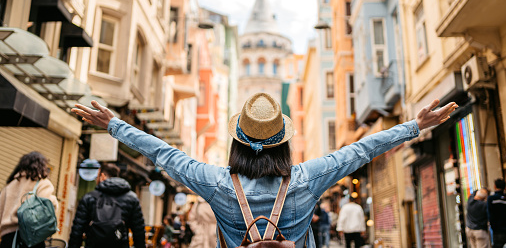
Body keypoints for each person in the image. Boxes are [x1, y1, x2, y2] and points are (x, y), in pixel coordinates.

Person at [72, 93, 457, 248]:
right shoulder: (307, 179)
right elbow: (360, 150)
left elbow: (165, 154)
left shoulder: (216, 183)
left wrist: (114, 124)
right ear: (283, 141)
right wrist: (416, 125)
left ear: (237, 140)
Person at [68, 163, 146, 248]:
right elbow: (139, 232)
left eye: (97, 176)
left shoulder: (89, 197)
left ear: (102, 176)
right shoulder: (132, 198)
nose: (96, 179)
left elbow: (77, 231)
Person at [0, 152, 59, 248]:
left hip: (7, 239)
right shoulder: (42, 183)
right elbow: (50, 207)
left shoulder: (10, 185)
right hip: (31, 238)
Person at [487, 178, 506, 248]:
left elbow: (490, 214)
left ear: (494, 186)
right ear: (505, 187)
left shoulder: (491, 199)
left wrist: (494, 227)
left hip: (498, 231)